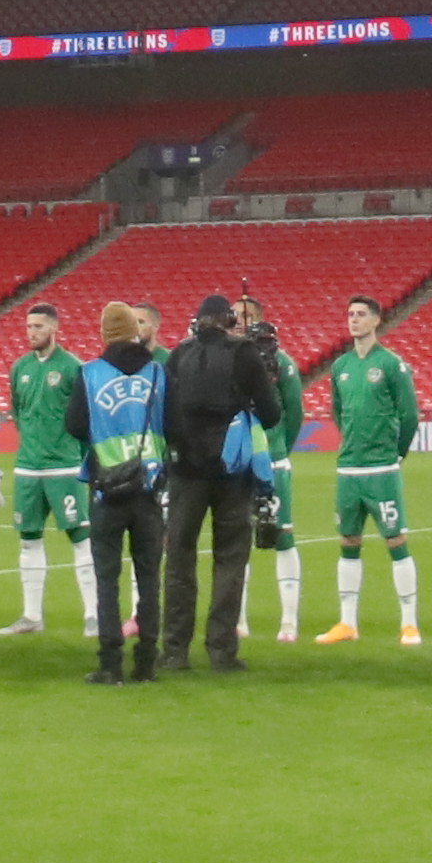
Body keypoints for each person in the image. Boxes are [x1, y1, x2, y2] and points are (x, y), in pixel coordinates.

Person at [155, 289, 285, 674]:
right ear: (228, 321)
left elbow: (163, 411)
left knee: (179, 559)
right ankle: (221, 649)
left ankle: (175, 649)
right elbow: (272, 414)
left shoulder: (179, 355)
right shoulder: (243, 354)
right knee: (230, 558)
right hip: (232, 471)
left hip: (186, 471)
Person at [314, 292, 424, 645]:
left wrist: (397, 454)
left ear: (377, 320)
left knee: (396, 540)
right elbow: (337, 412)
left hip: (381, 469)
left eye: (361, 314)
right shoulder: (342, 367)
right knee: (348, 540)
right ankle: (348, 623)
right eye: (351, 314)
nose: (354, 320)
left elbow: (409, 414)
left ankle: (409, 623)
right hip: (349, 469)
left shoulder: (391, 364)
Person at [77, 299, 169, 686]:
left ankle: (110, 663)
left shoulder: (89, 374)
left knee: (107, 577)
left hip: (107, 490)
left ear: (103, 333)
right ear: (134, 330)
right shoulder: (158, 373)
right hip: (149, 490)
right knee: (149, 576)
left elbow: (75, 424)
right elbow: (175, 423)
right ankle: (146, 661)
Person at [1, 298, 100, 636]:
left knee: (80, 536)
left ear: (55, 329)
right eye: (29, 326)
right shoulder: (20, 369)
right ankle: (31, 616)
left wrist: (80, 458)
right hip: (28, 467)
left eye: (39, 326)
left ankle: (92, 615)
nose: (32, 333)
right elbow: (18, 412)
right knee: (28, 539)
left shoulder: (74, 368)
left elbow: (86, 420)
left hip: (64, 468)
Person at [239, 289, 308, 645]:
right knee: (237, 540)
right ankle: (239, 619)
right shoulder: (228, 359)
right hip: (238, 464)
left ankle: (289, 621)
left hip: (273, 461)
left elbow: (294, 412)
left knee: (282, 536)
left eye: (242, 314)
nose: (236, 321)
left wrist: (280, 449)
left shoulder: (282, 362)